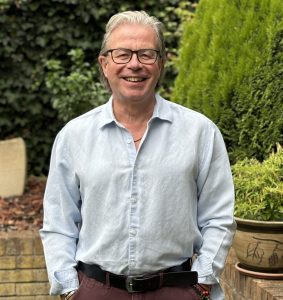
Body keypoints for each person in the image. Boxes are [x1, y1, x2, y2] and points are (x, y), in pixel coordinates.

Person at [40, 10, 236, 300]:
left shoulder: (200, 132)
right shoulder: (74, 136)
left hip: (177, 290)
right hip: (96, 291)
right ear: (104, 64)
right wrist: (70, 289)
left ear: (161, 63)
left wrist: (204, 281)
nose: (134, 64)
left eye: (146, 54)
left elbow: (219, 217)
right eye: (122, 54)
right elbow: (58, 223)